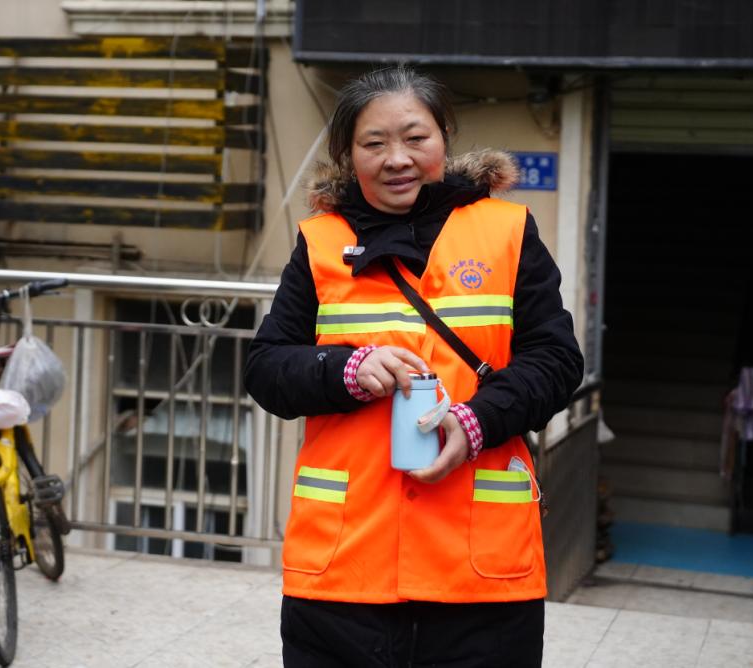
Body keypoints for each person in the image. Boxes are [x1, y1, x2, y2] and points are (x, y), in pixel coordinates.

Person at [244, 65, 584, 667]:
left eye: (415, 138)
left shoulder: (507, 231)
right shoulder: (321, 243)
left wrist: (477, 421)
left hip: (480, 572)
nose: (396, 158)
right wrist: (346, 371)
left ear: (444, 139)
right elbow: (266, 367)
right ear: (350, 156)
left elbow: (557, 360)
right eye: (374, 143)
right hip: (346, 567)